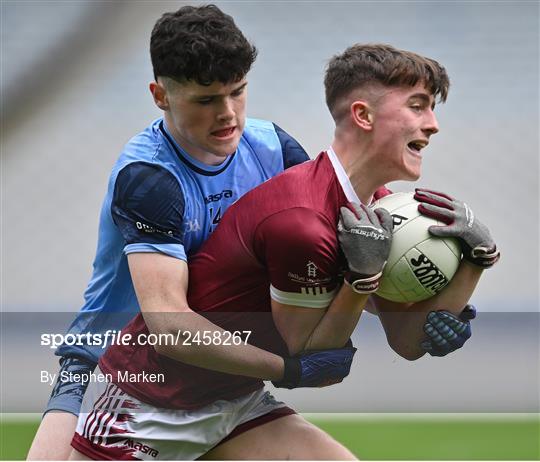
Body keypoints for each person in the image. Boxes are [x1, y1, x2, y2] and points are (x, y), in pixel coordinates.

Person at [69, 43, 499, 460]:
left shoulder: (380, 208)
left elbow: (407, 340)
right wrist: (358, 282)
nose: (433, 124)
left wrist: (475, 261)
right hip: (149, 406)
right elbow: (310, 355)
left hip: (235, 402)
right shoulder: (302, 221)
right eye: (418, 105)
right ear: (363, 115)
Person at [27, 4, 342, 460]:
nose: (228, 114)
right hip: (119, 378)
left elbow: (337, 260)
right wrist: (287, 368)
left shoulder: (273, 151)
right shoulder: (149, 177)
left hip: (218, 380)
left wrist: (422, 304)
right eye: (206, 100)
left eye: (238, 92)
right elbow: (170, 327)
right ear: (160, 95)